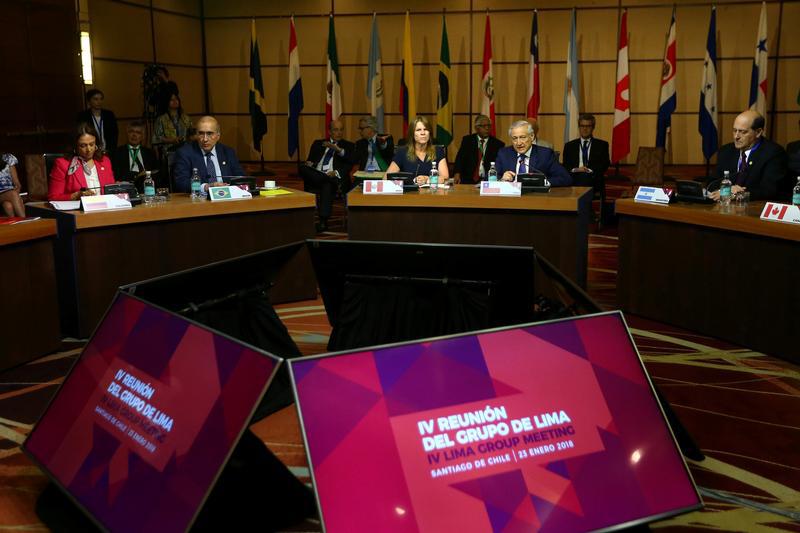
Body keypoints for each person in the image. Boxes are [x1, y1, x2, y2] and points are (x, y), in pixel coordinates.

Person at [710, 110, 788, 201]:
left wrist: (738, 194)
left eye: (743, 132)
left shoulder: (773, 153)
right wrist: (726, 190)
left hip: (756, 209)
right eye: (735, 130)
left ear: (758, 132)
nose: (736, 136)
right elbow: (712, 183)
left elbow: (769, 190)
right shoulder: (726, 151)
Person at [299, 119, 356, 232]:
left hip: (334, 178)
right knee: (302, 168)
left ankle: (323, 221)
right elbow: (310, 160)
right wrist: (310, 163)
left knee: (327, 184)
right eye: (336, 130)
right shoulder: (318, 143)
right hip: (317, 175)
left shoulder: (348, 146)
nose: (339, 133)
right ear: (329, 131)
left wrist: (338, 151)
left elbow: (350, 163)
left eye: (341, 130)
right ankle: (323, 177)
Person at [173, 116, 245, 194]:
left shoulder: (228, 152)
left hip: (226, 198)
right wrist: (206, 187)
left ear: (218, 136)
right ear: (196, 134)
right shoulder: (185, 153)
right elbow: (181, 182)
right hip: (199, 201)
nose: (205, 139)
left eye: (209, 133)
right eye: (201, 133)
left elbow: (240, 178)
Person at [48, 123, 116, 201]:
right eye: (83, 146)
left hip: (105, 208)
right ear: (75, 146)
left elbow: (112, 191)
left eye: (91, 144)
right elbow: (53, 197)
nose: (89, 149)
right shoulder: (62, 164)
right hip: (79, 211)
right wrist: (76, 196)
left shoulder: (105, 161)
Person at [495, 120, 572, 186]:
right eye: (515, 138)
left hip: (537, 198)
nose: (518, 143)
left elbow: (565, 178)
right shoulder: (504, 154)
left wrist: (541, 182)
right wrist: (501, 180)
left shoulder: (545, 154)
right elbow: (489, 178)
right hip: (511, 199)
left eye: (522, 137)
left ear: (532, 136)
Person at [386, 116, 448, 185]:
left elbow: (445, 178)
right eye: (418, 130)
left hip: (432, 193)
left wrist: (427, 179)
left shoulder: (438, 151)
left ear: (429, 133)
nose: (423, 133)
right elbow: (386, 178)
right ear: (412, 134)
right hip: (409, 194)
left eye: (426, 129)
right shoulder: (402, 152)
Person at [561, 113, 610, 193]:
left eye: (588, 126)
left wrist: (589, 170)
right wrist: (576, 170)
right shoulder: (569, 146)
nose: (585, 129)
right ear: (579, 127)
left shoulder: (602, 145)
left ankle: (580, 201)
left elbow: (605, 164)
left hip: (593, 177)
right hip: (574, 176)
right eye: (582, 126)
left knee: (585, 177)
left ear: (593, 127)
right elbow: (566, 165)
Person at [452, 115, 504, 184]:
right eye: (484, 126)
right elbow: (460, 158)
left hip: (488, 180)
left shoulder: (498, 144)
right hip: (468, 178)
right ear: (476, 128)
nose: (487, 128)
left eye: (489, 126)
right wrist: (457, 173)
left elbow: (499, 165)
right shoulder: (467, 140)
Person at [111, 120, 158, 186]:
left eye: (138, 132)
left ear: (142, 136)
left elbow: (155, 172)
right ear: (127, 134)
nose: (134, 135)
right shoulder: (117, 152)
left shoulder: (149, 153)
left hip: (146, 185)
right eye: (131, 131)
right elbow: (117, 175)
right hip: (127, 185)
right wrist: (137, 175)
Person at [152, 93, 193, 164]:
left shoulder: (186, 118)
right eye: (172, 100)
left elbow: (191, 134)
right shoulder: (161, 119)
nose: (175, 101)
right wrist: (172, 140)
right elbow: (156, 138)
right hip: (169, 152)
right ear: (167, 102)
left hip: (185, 151)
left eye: (176, 99)